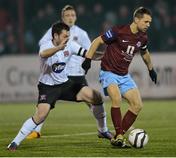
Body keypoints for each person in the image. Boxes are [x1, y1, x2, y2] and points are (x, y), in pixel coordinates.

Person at [7, 22, 111, 151]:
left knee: (96, 97)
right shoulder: (46, 45)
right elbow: (43, 54)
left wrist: (104, 56)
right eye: (64, 36)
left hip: (65, 84)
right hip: (48, 87)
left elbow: (87, 53)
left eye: (68, 35)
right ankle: (14, 143)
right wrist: (58, 48)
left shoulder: (71, 45)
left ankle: (103, 130)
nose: (67, 38)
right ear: (55, 35)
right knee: (40, 115)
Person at [27, 5, 112, 140]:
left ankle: (103, 129)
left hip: (77, 73)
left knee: (93, 100)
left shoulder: (82, 34)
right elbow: (43, 46)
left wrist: (98, 57)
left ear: (76, 17)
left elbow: (89, 51)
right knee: (45, 102)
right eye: (67, 15)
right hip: (61, 74)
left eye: (72, 15)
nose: (70, 18)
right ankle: (36, 130)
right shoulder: (52, 32)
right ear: (62, 17)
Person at [82, 7, 157, 148]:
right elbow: (98, 41)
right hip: (108, 72)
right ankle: (120, 135)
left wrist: (151, 69)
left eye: (150, 22)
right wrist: (88, 59)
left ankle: (118, 136)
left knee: (137, 105)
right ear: (136, 19)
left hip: (124, 75)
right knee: (116, 98)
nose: (148, 25)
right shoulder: (119, 31)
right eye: (146, 21)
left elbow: (144, 52)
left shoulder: (143, 37)